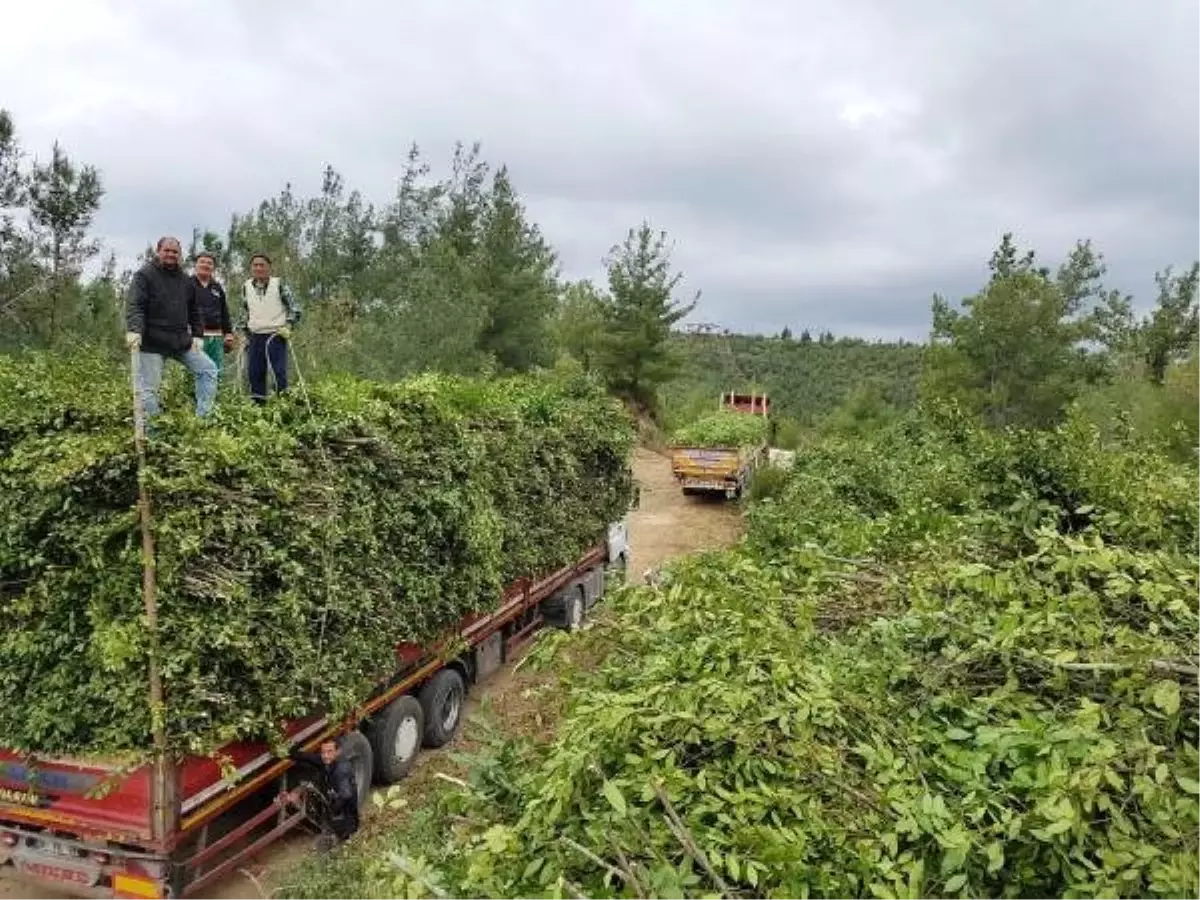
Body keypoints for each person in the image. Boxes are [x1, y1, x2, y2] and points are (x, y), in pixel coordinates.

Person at [125, 236, 218, 420]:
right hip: (152, 342)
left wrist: (198, 335)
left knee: (208, 370)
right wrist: (135, 330)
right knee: (149, 390)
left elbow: (195, 310)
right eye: (167, 250)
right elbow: (136, 305)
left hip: (180, 340)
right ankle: (155, 433)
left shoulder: (185, 281)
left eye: (175, 251)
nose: (170, 254)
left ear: (179, 254)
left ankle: (203, 421)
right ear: (158, 251)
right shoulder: (144, 276)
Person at [238, 253, 301, 404]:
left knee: (279, 374)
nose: (258, 268)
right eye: (255, 265)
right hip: (255, 337)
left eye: (262, 265)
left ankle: (283, 406)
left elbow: (295, 309)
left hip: (276, 336)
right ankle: (259, 409)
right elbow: (244, 312)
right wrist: (243, 334)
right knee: (255, 374)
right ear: (251, 268)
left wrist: (288, 326)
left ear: (269, 268)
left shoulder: (279, 285)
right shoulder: (246, 287)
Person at [283, 738, 360, 844]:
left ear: (337, 752)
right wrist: (296, 746)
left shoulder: (342, 770)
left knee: (344, 836)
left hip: (345, 812)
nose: (325, 755)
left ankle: (346, 840)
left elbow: (345, 795)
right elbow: (305, 757)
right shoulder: (325, 761)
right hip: (335, 803)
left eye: (329, 751)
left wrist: (333, 809)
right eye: (323, 752)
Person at [190, 251, 234, 375]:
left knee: (216, 370)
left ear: (213, 267)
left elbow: (224, 311)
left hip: (216, 338)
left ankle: (215, 395)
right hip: (194, 337)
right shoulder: (187, 284)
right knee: (194, 372)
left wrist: (228, 334)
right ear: (196, 265)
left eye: (209, 263)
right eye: (202, 262)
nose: (206, 265)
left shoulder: (217, 287)